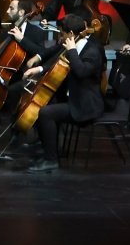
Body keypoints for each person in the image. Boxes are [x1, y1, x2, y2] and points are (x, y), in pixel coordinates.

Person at [17, 15, 106, 173]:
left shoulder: (92, 50)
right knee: (41, 105)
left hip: (85, 105)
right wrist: (38, 69)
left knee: (46, 113)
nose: (60, 36)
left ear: (70, 34)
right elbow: (56, 62)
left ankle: (51, 160)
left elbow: (81, 71)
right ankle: (48, 151)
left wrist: (72, 50)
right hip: (73, 99)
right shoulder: (72, 46)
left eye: (62, 33)